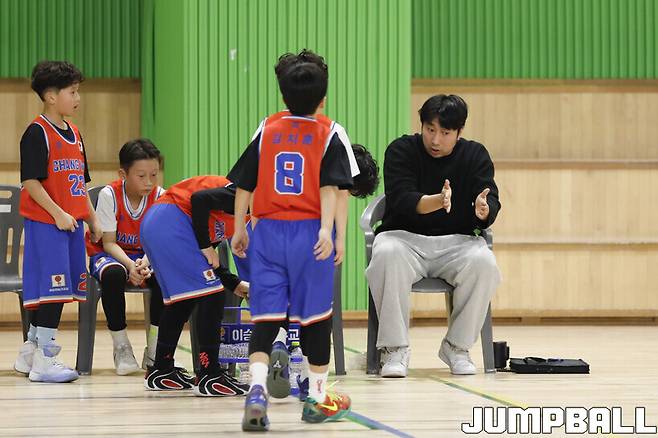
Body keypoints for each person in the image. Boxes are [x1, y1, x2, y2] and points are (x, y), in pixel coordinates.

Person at [229, 53, 354, 432]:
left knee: (266, 318)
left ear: (283, 97)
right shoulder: (329, 132)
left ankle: (255, 392)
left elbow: (244, 183)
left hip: (266, 232)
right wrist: (332, 234)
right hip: (309, 233)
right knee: (316, 319)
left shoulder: (267, 128)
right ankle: (317, 398)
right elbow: (333, 189)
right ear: (323, 99)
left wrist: (239, 228)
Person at [365, 94, 501, 377]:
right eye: (430, 129)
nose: (436, 140)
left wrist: (484, 210)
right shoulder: (401, 150)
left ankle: (456, 347)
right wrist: (438, 201)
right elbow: (402, 200)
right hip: (404, 240)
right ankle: (394, 349)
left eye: (445, 133)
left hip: (457, 243)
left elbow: (490, 199)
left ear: (459, 132)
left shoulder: (475, 155)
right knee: (385, 252)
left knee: (485, 263)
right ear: (422, 126)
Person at [266, 143, 380, 401]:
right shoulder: (337, 187)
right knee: (317, 315)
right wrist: (339, 243)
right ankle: (311, 382)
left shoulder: (306, 165)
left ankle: (279, 341)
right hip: (315, 244)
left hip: (277, 235)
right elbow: (338, 206)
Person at [14, 60, 102, 383]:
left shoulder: (75, 134)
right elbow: (30, 182)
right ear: (51, 96)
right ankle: (46, 360)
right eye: (72, 92)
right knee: (53, 288)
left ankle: (31, 350)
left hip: (71, 224)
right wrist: (58, 213)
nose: (78, 98)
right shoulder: (36, 133)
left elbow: (81, 183)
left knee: (63, 288)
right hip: (48, 223)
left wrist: (92, 218)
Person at [139, 175, 250, 397]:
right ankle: (209, 374)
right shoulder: (243, 196)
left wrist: (234, 283)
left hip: (160, 223)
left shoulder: (243, 214)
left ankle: (161, 370)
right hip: (170, 221)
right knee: (212, 296)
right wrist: (206, 247)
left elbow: (208, 260)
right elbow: (200, 199)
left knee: (185, 299)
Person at [85, 139, 165, 375]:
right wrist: (131, 265)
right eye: (141, 176)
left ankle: (155, 348)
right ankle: (121, 347)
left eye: (154, 174)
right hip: (110, 253)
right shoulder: (109, 195)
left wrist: (144, 264)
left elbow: (159, 241)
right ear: (123, 174)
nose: (149, 182)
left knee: (165, 277)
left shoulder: (161, 196)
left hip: (146, 255)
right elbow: (108, 243)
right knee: (113, 275)